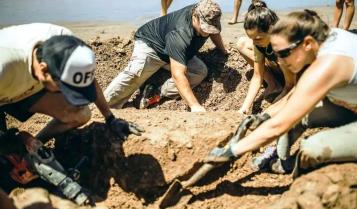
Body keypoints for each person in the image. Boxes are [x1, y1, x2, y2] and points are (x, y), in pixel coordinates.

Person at [205, 10, 357, 176]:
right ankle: (281, 158)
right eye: (278, 54)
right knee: (298, 115)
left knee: (311, 148)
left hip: (351, 106)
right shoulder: (326, 37)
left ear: (307, 43)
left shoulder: (329, 64)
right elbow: (296, 97)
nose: (282, 61)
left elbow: (279, 125)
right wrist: (264, 117)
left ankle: (298, 172)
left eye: (285, 53)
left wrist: (231, 151)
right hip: (352, 102)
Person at [0, 23, 143, 143]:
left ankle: (35, 148)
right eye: (66, 88)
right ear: (44, 70)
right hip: (6, 85)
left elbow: (88, 78)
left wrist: (110, 119)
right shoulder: (4, 65)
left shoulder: (69, 45)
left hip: (26, 87)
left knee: (80, 113)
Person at [104, 0, 227, 112]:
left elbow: (214, 32)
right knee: (135, 74)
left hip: (178, 51)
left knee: (199, 72)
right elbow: (178, 74)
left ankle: (157, 92)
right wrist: (195, 106)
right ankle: (104, 105)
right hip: (152, 46)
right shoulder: (180, 33)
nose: (208, 32)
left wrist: (223, 51)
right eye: (205, 28)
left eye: (211, 28)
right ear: (195, 16)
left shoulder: (207, 13)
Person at [237, 1, 296, 114]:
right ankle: (273, 85)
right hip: (286, 77)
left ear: (272, 29)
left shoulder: (285, 46)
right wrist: (244, 107)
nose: (254, 42)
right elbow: (257, 76)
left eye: (258, 38)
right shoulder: (259, 43)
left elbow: (290, 86)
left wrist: (269, 111)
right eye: (251, 38)